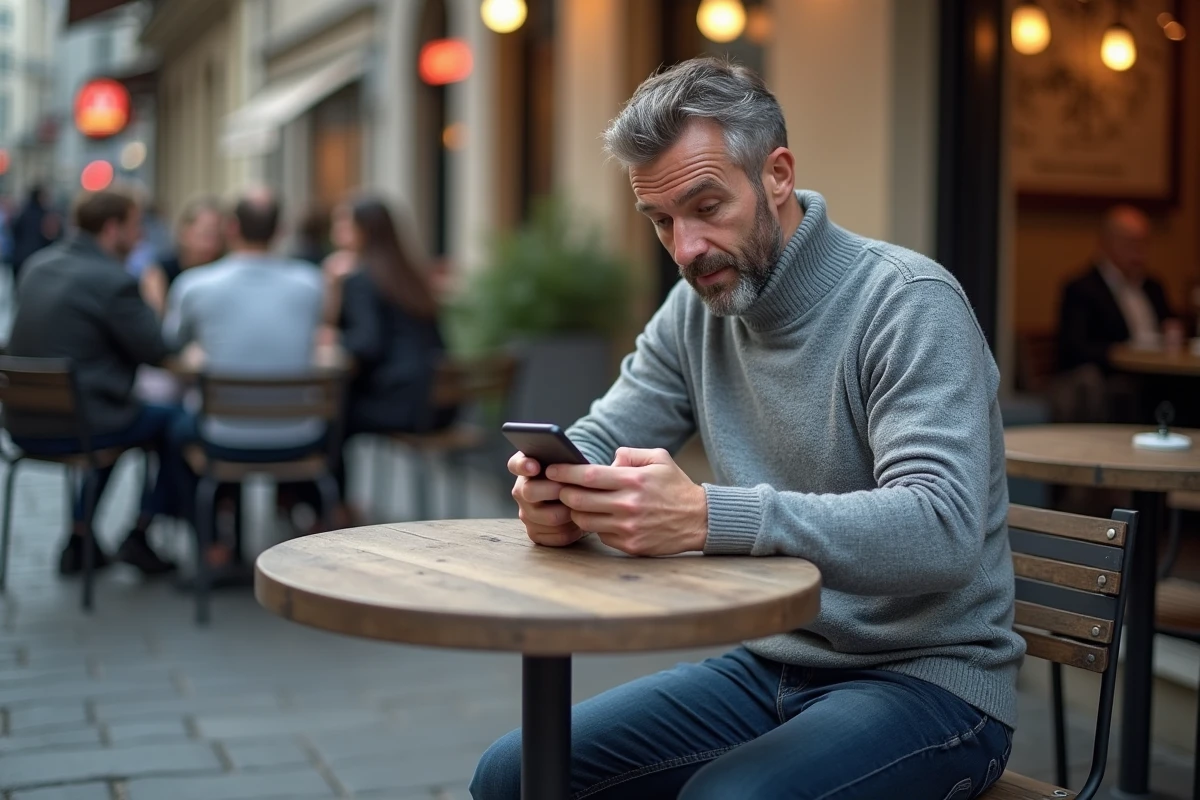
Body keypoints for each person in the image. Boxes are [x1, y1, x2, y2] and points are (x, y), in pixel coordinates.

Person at [471, 57, 1019, 800]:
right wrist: (556, 489)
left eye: (706, 206)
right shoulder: (694, 309)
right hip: (770, 664)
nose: (686, 248)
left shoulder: (909, 303)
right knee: (512, 775)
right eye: (662, 221)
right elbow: (603, 435)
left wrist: (707, 516)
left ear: (777, 175)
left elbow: (941, 529)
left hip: (931, 683)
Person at [4, 188, 182, 576]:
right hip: (82, 426)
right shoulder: (113, 280)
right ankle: (141, 531)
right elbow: (156, 349)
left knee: (118, 417)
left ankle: (80, 536)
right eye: (136, 226)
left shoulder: (38, 265)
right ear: (112, 228)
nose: (141, 236)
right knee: (174, 422)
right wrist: (155, 296)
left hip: (23, 424)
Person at [162, 187, 325, 567]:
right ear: (280, 230)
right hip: (298, 435)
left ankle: (210, 540)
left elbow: (171, 343)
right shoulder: (312, 283)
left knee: (173, 430)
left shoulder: (194, 284)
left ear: (231, 228)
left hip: (222, 436)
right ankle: (308, 513)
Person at [307, 197, 455, 527]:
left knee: (330, 417)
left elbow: (366, 345)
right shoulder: (410, 274)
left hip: (404, 406)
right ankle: (336, 508)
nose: (336, 231)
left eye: (343, 224)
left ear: (364, 230)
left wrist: (334, 334)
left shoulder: (362, 279)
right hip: (439, 404)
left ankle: (332, 510)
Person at [1052, 205, 1177, 424]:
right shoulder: (1082, 288)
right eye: (1131, 242)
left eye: (1144, 242)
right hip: (1114, 378)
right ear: (1107, 242)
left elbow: (1171, 326)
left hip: (1162, 373)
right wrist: (1121, 352)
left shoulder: (1154, 287)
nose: (1139, 250)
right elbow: (1073, 347)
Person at [140, 196, 225, 316]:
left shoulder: (225, 272)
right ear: (184, 232)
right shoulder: (160, 272)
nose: (212, 244)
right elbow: (155, 318)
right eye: (206, 234)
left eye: (219, 236)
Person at [10, 185, 61, 280]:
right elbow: (51, 236)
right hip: (38, 257)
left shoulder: (22, 212)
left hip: (20, 258)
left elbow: (14, 230)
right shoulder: (45, 215)